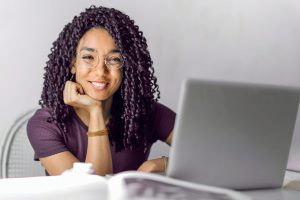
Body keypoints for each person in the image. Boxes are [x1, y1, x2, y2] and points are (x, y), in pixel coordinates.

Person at [27, 5, 175, 176]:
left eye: (114, 59)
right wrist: (95, 111)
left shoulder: (147, 112)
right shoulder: (46, 125)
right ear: (74, 64)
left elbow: (209, 153)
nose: (100, 72)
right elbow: (91, 192)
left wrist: (164, 163)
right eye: (88, 57)